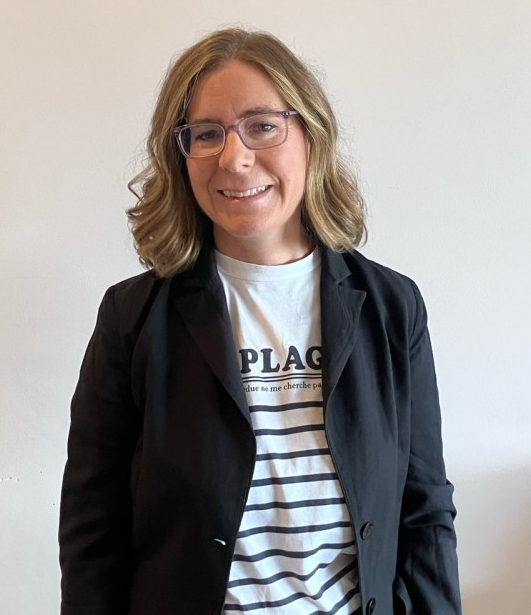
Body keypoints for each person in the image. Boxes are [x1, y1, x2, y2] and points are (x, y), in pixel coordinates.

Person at [59, 27, 461, 615]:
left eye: (263, 126)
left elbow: (424, 512)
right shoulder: (132, 318)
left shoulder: (393, 307)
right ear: (181, 154)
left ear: (311, 133)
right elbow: (93, 527)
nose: (235, 158)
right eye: (206, 134)